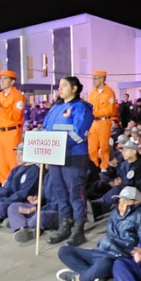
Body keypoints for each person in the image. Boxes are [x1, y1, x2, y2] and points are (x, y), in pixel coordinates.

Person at [56, 186, 141, 281]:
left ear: (136, 202)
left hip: (117, 257)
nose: (121, 205)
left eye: (126, 201)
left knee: (104, 262)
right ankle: (94, 275)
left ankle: (79, 278)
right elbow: (109, 234)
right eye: (120, 201)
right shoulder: (115, 213)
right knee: (64, 251)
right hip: (101, 251)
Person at [44, 76, 94, 246]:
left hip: (73, 155)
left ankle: (79, 228)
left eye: (64, 85)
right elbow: (45, 128)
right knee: (60, 192)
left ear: (74, 88)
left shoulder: (81, 108)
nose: (60, 88)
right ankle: (65, 225)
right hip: (54, 156)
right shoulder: (55, 108)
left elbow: (78, 133)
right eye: (59, 86)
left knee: (75, 192)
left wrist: (57, 141)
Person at [0, 70, 26, 185]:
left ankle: (14, 188)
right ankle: (4, 187)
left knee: (13, 162)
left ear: (12, 82)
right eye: (1, 78)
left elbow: (16, 116)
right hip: (0, 132)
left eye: (5, 78)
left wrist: (1, 107)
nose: (1, 81)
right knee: (1, 163)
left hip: (12, 132)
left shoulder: (18, 96)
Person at [87, 71, 119, 169]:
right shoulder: (92, 92)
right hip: (93, 123)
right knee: (92, 148)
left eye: (95, 78)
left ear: (101, 79)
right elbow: (89, 106)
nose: (94, 81)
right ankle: (95, 166)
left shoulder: (109, 92)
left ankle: (104, 167)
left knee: (104, 147)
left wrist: (96, 112)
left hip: (104, 122)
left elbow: (110, 109)